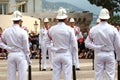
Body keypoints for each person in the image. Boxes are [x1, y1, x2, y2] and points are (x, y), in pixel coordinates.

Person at [85, 8, 120, 80]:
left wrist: (96, 47)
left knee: (98, 76)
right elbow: (118, 45)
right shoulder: (113, 29)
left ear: (100, 17)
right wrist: (118, 58)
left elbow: (87, 43)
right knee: (110, 76)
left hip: (98, 54)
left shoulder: (94, 29)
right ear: (108, 18)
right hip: (110, 54)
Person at [47, 7, 77, 80]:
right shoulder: (70, 29)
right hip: (66, 53)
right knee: (67, 76)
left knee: (55, 76)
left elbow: (47, 42)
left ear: (57, 19)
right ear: (65, 19)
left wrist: (53, 49)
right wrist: (74, 58)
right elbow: (74, 45)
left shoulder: (52, 29)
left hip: (56, 54)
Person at [0, 10, 31, 80]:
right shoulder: (23, 32)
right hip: (21, 54)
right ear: (20, 20)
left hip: (11, 54)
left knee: (11, 77)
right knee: (22, 76)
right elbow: (26, 47)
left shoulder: (6, 31)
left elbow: (0, 42)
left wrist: (7, 48)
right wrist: (28, 57)